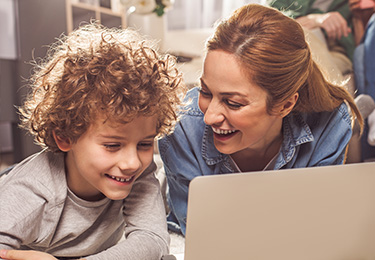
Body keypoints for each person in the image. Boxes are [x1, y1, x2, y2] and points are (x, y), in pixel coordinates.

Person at [158, 4, 363, 236]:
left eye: (233, 103)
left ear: (286, 105)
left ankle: (361, 109)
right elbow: (201, 234)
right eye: (205, 91)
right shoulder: (181, 124)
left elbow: (314, 227)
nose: (209, 116)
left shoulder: (329, 125)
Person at [0, 23, 186, 259]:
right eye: (112, 146)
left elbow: (152, 240)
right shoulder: (31, 191)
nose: (132, 162)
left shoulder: (137, 171)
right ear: (65, 137)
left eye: (144, 144)